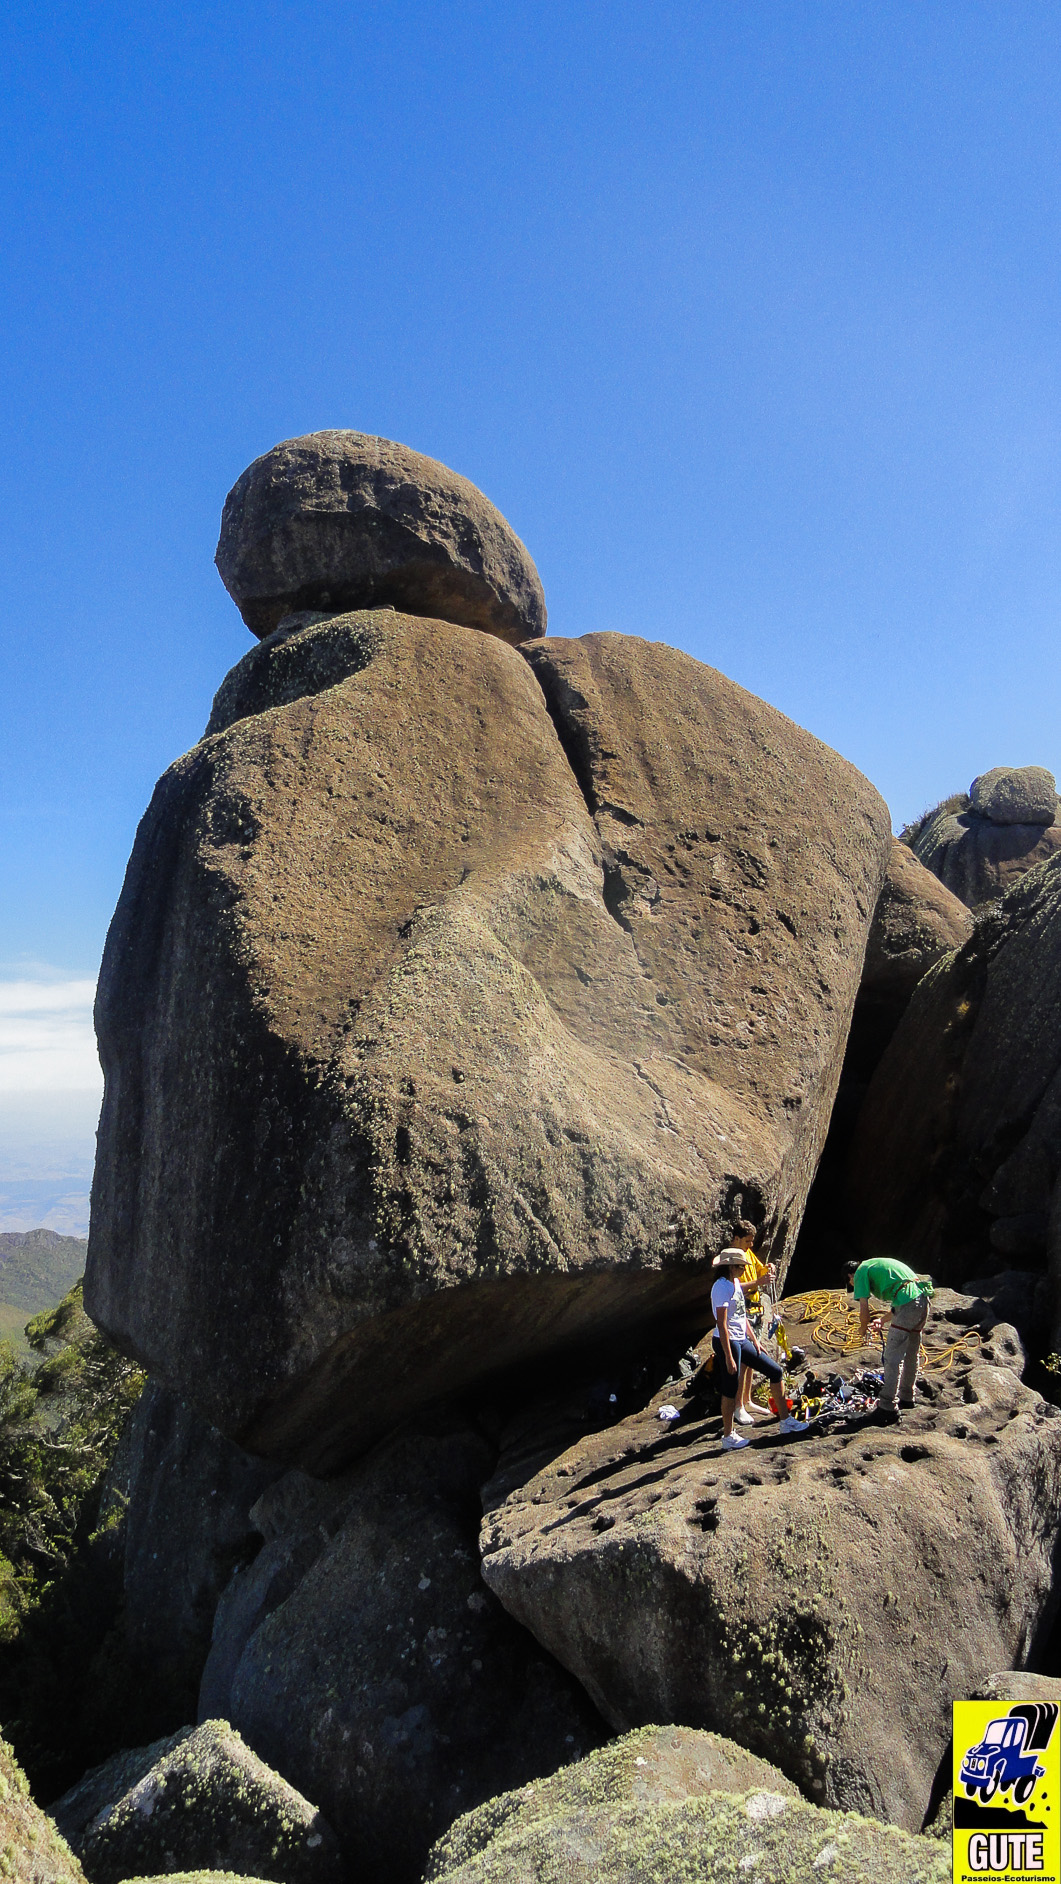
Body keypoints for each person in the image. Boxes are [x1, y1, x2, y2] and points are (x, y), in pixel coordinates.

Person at [711, 1247, 787, 1450]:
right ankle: (728, 1436)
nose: (745, 1269)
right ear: (731, 1267)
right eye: (741, 1266)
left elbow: (741, 1314)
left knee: (775, 1370)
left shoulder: (734, 1283)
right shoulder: (721, 1287)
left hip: (742, 1338)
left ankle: (786, 1421)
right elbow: (722, 1323)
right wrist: (728, 1356)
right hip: (727, 1341)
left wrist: (754, 1340)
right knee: (730, 1387)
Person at [845, 1257, 934, 1421]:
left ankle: (887, 1406)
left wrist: (863, 1329)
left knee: (892, 1358)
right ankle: (907, 1397)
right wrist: (882, 1321)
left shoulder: (860, 1272)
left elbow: (864, 1308)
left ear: (851, 1277)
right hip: (922, 1301)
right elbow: (901, 1302)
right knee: (911, 1353)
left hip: (908, 1304)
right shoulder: (877, 1265)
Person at [730, 1219, 778, 1423]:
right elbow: (732, 1287)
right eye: (747, 1241)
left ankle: (747, 1400)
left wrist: (769, 1269)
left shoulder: (747, 1253)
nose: (751, 1245)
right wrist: (758, 1283)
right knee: (743, 1359)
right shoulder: (730, 1258)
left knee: (751, 1360)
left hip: (755, 1310)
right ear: (736, 1238)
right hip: (743, 1310)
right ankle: (737, 1405)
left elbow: (759, 1270)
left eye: (752, 1241)